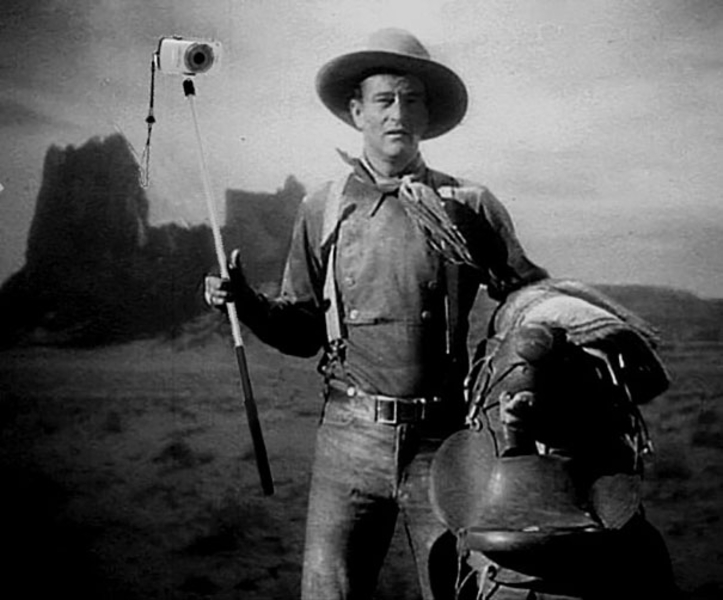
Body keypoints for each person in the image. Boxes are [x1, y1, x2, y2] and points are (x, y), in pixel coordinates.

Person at [205, 28, 547, 600]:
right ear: (356, 111)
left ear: (428, 115)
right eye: (384, 100)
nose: (398, 114)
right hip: (348, 442)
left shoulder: (469, 204)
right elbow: (304, 331)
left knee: (458, 590)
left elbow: (527, 301)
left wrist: (518, 383)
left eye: (412, 100)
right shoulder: (324, 206)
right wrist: (247, 303)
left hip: (444, 443)